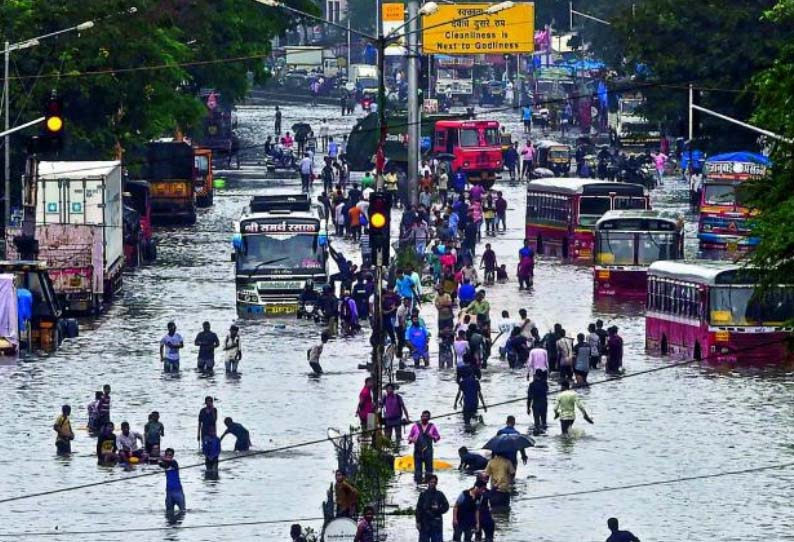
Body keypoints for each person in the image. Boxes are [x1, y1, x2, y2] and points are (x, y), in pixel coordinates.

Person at [407, 411, 441, 484]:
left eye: (426, 417)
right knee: (418, 471)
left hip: (428, 451)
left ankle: (428, 485)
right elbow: (409, 437)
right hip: (418, 451)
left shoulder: (432, 426)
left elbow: (438, 437)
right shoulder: (415, 426)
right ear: (421, 417)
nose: (424, 418)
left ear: (429, 418)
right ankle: (418, 484)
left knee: (429, 471)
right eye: (423, 416)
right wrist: (412, 439)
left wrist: (432, 436)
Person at [415, 474, 450, 542]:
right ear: (428, 482)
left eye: (434, 482)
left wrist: (438, 509)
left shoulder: (440, 494)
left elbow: (446, 506)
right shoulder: (423, 494)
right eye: (431, 482)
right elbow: (418, 509)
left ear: (436, 483)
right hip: (424, 523)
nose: (432, 484)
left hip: (436, 522)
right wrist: (418, 521)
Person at [159, 448, 186, 516]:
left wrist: (160, 456)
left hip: (178, 491)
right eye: (167, 454)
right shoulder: (165, 465)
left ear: (172, 456)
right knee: (168, 513)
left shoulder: (174, 463)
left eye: (170, 455)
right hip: (169, 492)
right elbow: (160, 463)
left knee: (182, 512)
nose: (168, 456)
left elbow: (168, 460)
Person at [527, 369, 549, 435]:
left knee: (536, 423)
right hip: (544, 404)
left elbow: (529, 397)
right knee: (544, 422)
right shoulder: (544, 383)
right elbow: (546, 390)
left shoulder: (532, 384)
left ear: (535, 375)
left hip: (536, 405)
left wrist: (528, 408)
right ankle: (544, 434)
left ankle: (537, 433)